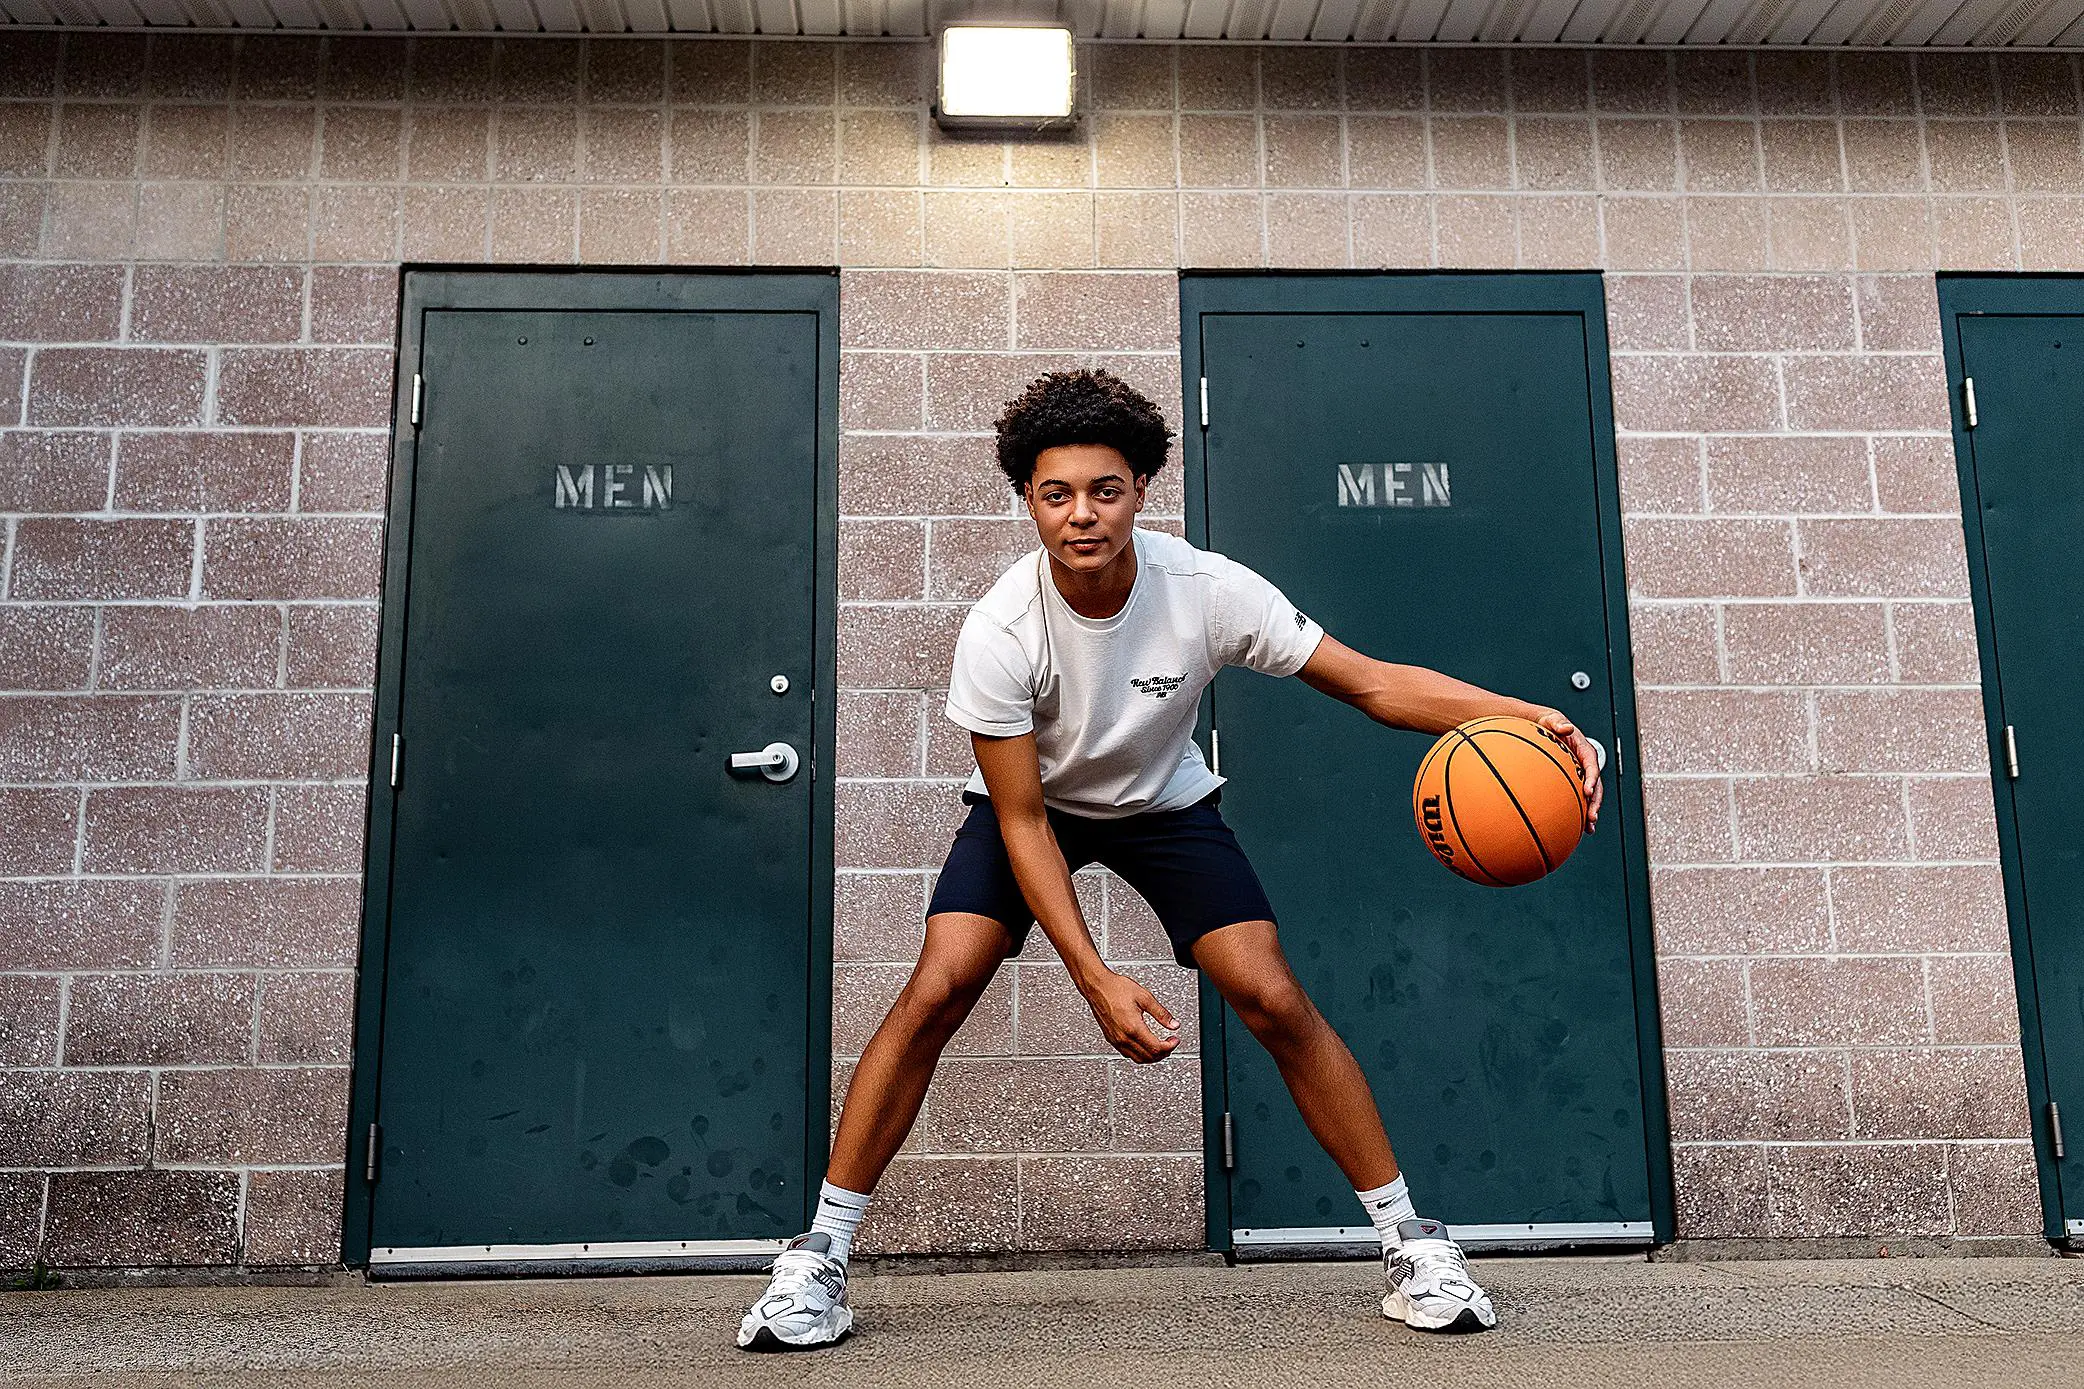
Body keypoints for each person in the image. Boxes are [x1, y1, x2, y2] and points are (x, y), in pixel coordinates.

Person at [738, 369, 1602, 1351]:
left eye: (1103, 490)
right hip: (1034, 811)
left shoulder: (1202, 589)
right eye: (1054, 494)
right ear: (1027, 498)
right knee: (939, 983)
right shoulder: (1000, 629)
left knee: (1271, 997)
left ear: (1140, 488)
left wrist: (1525, 717)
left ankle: (1410, 1243)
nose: (1080, 515)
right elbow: (1022, 823)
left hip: (1162, 805)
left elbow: (1369, 683)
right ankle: (816, 1260)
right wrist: (1095, 978)